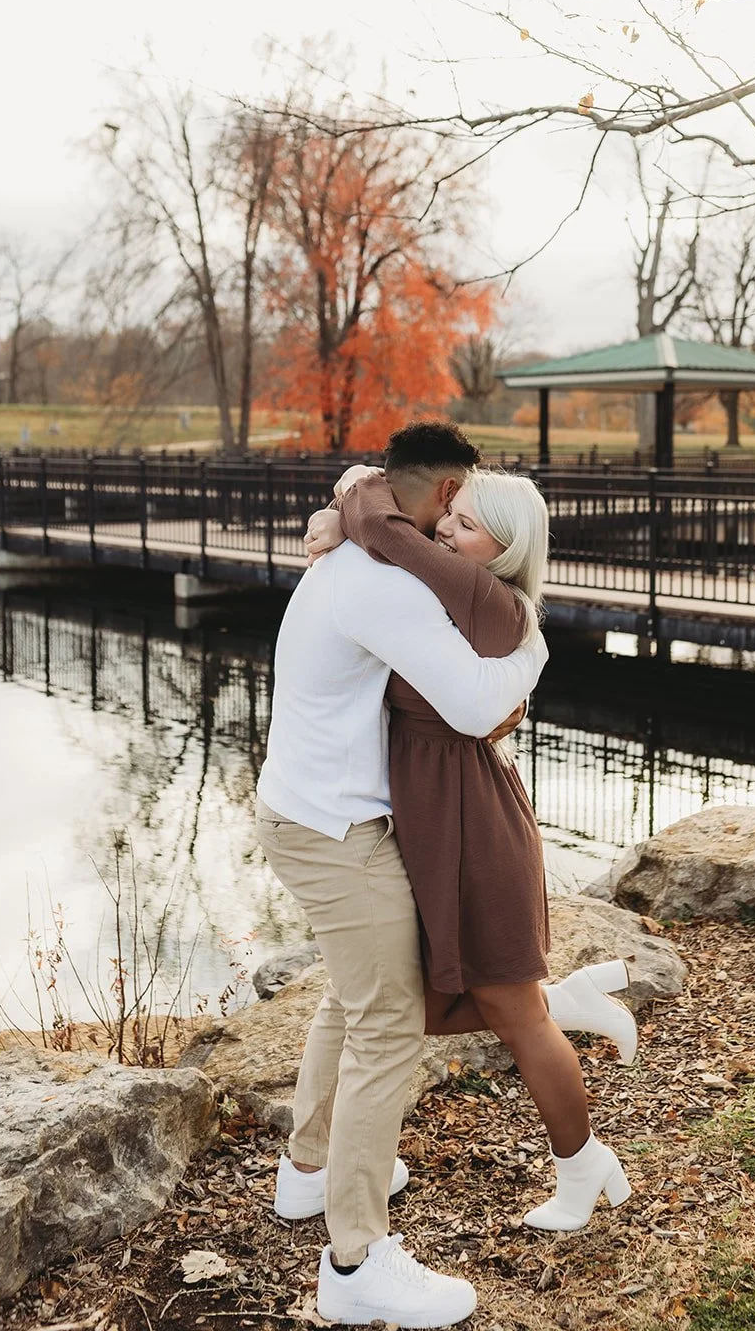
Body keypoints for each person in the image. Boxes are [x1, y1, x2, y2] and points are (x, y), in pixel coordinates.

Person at [255, 423, 549, 1329]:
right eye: (456, 508)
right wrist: (534, 642)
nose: (456, 524)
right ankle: (356, 1263)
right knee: (389, 1021)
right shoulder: (384, 582)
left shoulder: (358, 549)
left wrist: (348, 498)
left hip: (309, 810)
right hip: (331, 825)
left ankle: (309, 1170)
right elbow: (474, 703)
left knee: (352, 997)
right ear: (440, 490)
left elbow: (358, 492)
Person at [305, 461, 635, 1238]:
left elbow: (387, 527)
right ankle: (563, 1005)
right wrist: (337, 512)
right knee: (411, 1003)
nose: (442, 533)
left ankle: (583, 1164)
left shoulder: (491, 602)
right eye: (446, 520)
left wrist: (348, 495)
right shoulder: (452, 591)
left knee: (506, 1014)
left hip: (474, 829)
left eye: (464, 526)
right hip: (434, 819)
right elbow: (391, 535)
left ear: (504, 549)